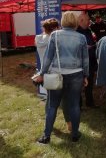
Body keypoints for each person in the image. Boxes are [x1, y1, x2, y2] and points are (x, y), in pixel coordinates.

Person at [34, 11, 89, 143]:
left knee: (52, 105)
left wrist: (41, 74)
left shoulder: (55, 35)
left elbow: (48, 57)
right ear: (75, 22)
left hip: (56, 73)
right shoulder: (81, 37)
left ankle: (46, 136)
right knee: (74, 105)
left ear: (63, 21)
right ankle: (75, 135)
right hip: (76, 74)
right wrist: (86, 75)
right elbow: (85, 59)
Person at [35, 18, 59, 100]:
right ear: (55, 28)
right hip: (55, 70)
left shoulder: (38, 38)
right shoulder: (54, 39)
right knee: (56, 95)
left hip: (44, 70)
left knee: (49, 95)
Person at [77, 13, 97, 107]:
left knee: (90, 83)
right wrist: (84, 47)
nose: (89, 21)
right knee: (79, 85)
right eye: (88, 20)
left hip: (91, 61)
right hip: (80, 63)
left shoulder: (88, 30)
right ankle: (79, 105)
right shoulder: (75, 32)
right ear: (81, 21)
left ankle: (90, 102)